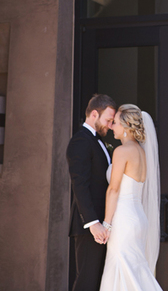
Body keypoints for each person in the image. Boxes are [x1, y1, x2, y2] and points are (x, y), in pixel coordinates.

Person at [99, 104, 162, 291]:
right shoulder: (141, 153)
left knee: (121, 268)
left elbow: (114, 190)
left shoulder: (122, 152)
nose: (112, 127)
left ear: (127, 127)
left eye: (115, 123)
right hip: (138, 218)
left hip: (123, 220)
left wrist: (106, 225)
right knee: (134, 270)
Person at [67, 94, 117, 291]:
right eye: (108, 120)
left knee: (97, 283)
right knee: (87, 282)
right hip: (90, 226)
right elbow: (79, 184)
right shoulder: (81, 141)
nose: (110, 125)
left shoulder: (99, 141)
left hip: (102, 225)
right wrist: (93, 223)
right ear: (94, 114)